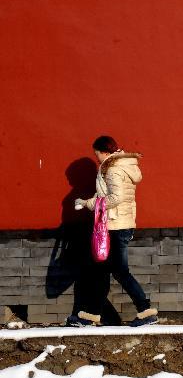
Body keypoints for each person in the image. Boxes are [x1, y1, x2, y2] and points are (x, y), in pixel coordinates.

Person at [67, 136, 158, 327]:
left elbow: (116, 197)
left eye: (97, 154)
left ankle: (145, 310)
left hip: (115, 226)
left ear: (104, 152)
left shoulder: (113, 168)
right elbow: (108, 194)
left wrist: (88, 203)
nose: (97, 158)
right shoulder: (121, 166)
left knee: (120, 271)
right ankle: (92, 314)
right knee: (102, 271)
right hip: (120, 223)